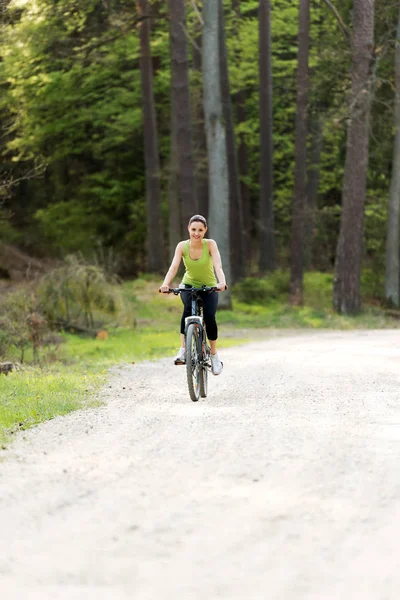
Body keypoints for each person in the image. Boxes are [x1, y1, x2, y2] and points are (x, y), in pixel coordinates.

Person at [160, 214, 227, 375]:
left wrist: (221, 282)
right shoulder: (182, 246)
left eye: (200, 230)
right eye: (193, 229)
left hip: (209, 286)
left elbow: (218, 266)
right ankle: (183, 349)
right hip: (188, 285)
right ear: (188, 229)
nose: (196, 233)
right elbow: (174, 266)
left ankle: (214, 355)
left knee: (210, 317)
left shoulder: (210, 245)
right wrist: (165, 284)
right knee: (187, 312)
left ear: (205, 231)